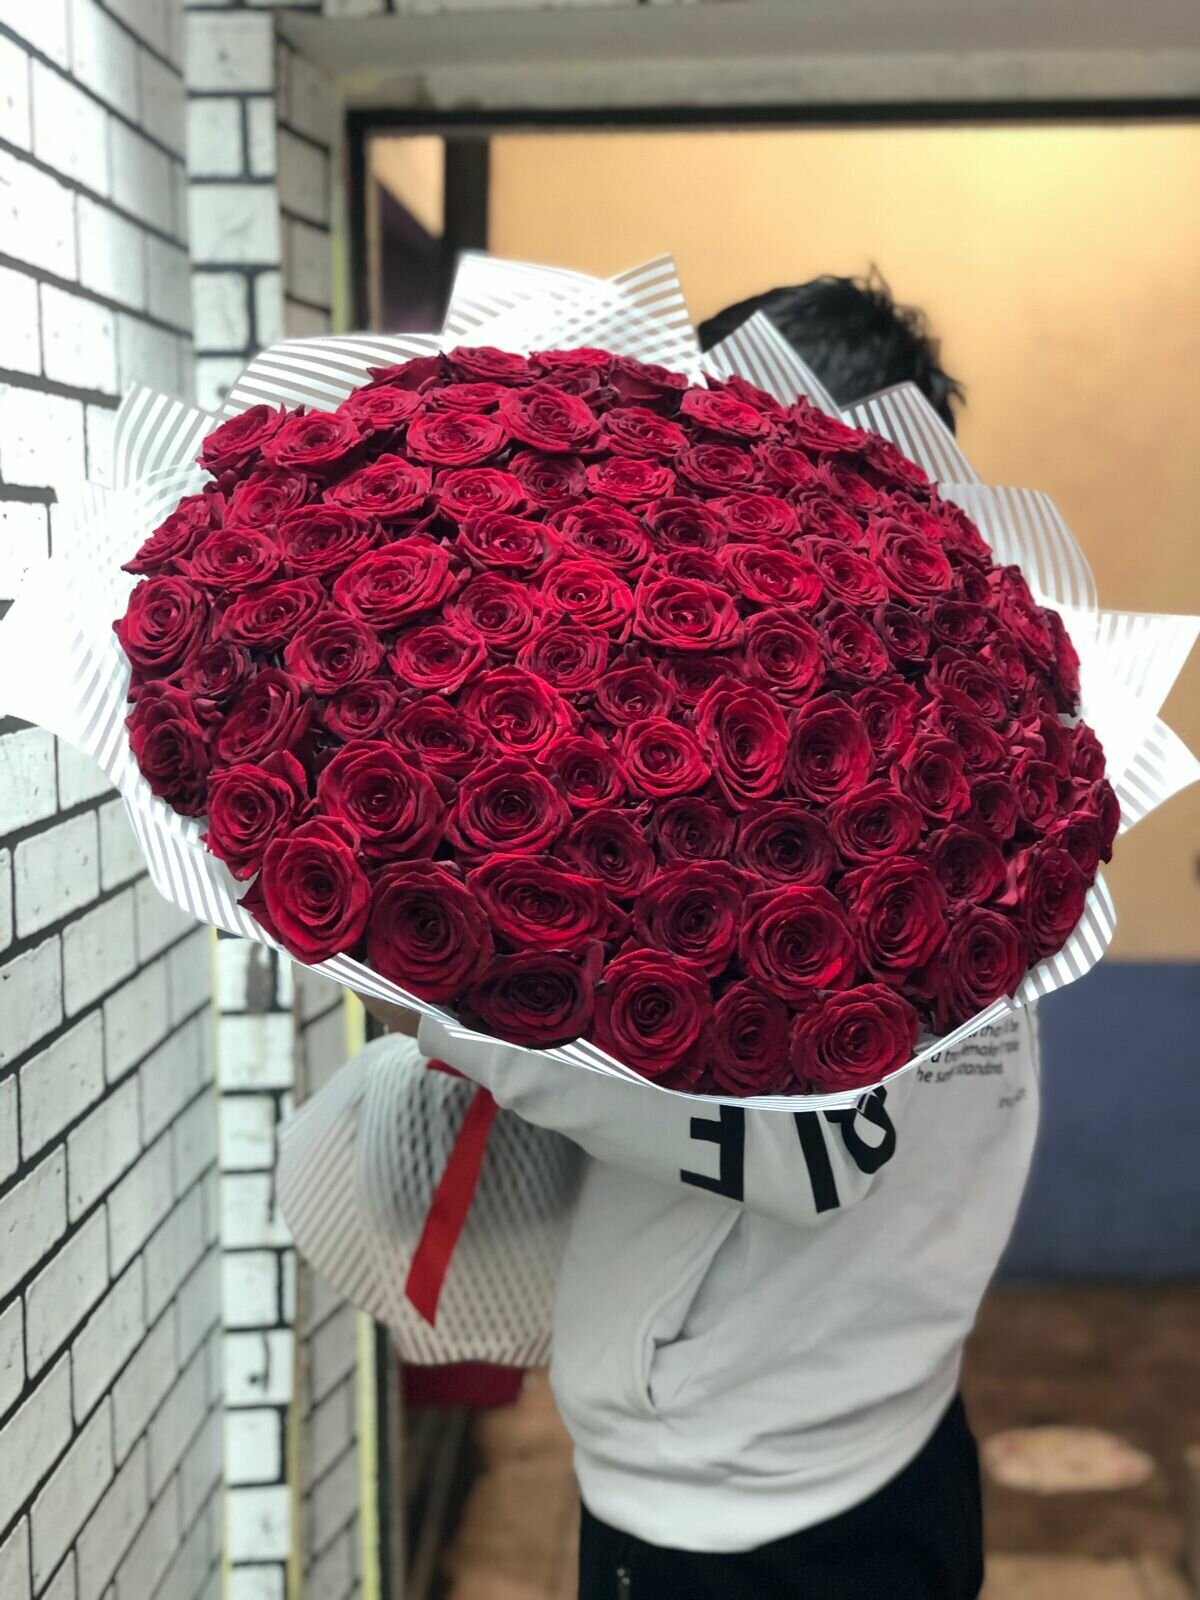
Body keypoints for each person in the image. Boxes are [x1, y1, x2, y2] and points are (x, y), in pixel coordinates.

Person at [367, 275, 1035, 1600]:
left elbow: (806, 1147)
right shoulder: (985, 750)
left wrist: (450, 1019)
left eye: (719, 441)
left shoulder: (855, 805)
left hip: (734, 1508)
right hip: (889, 1436)